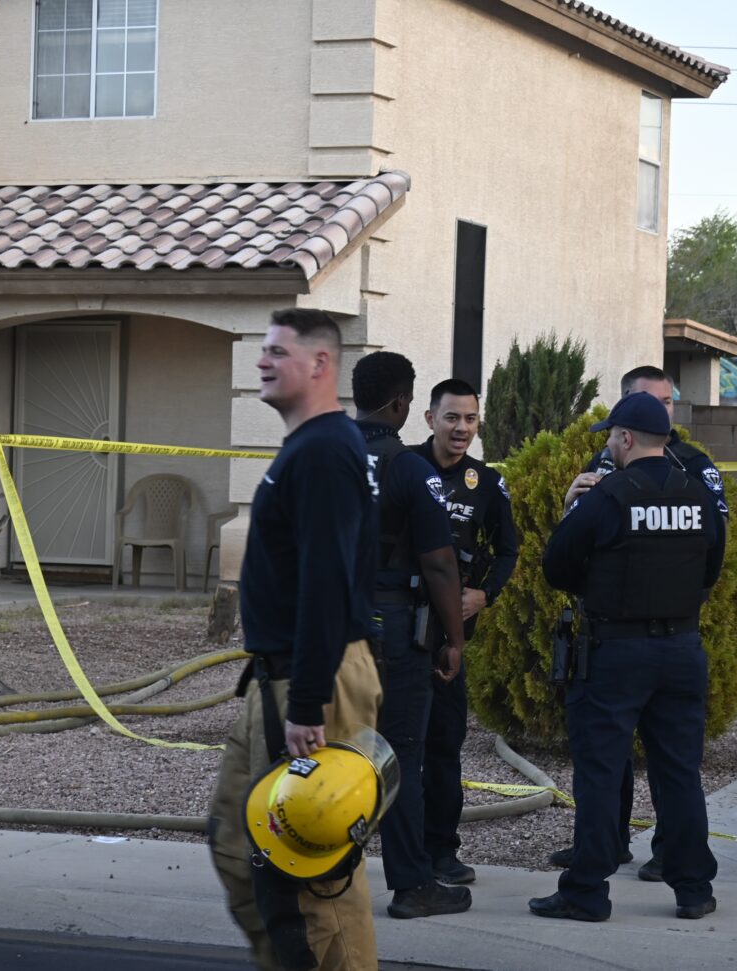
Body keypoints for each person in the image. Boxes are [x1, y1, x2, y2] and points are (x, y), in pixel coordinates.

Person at [208, 308, 383, 971]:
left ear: (320, 364)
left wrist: (307, 703)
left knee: (314, 876)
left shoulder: (326, 452)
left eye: (278, 351)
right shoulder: (311, 447)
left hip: (315, 682)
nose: (262, 360)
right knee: (239, 844)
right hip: (281, 677)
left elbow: (326, 585)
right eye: (264, 349)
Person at [529, 392, 725, 922]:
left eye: (612, 437)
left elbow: (557, 567)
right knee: (679, 772)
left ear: (627, 438)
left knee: (599, 771)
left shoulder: (608, 495)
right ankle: (693, 889)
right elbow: (710, 569)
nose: (610, 446)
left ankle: (586, 892)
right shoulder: (699, 494)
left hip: (615, 652)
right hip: (681, 649)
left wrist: (571, 509)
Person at [352, 351, 472, 920]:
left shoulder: (319, 455)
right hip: (393, 627)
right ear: (402, 404)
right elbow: (441, 564)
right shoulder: (409, 469)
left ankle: (319, 871)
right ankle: (412, 883)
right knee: (399, 754)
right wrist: (455, 639)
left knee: (329, 748)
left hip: (328, 625)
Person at [411, 378, 518, 885]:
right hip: (397, 634)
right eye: (452, 417)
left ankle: (441, 851)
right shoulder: (403, 468)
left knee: (443, 745)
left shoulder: (488, 483)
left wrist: (485, 594)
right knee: (389, 744)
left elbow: (508, 551)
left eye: (470, 419)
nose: (461, 428)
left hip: (447, 641)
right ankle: (393, 846)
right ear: (430, 418)